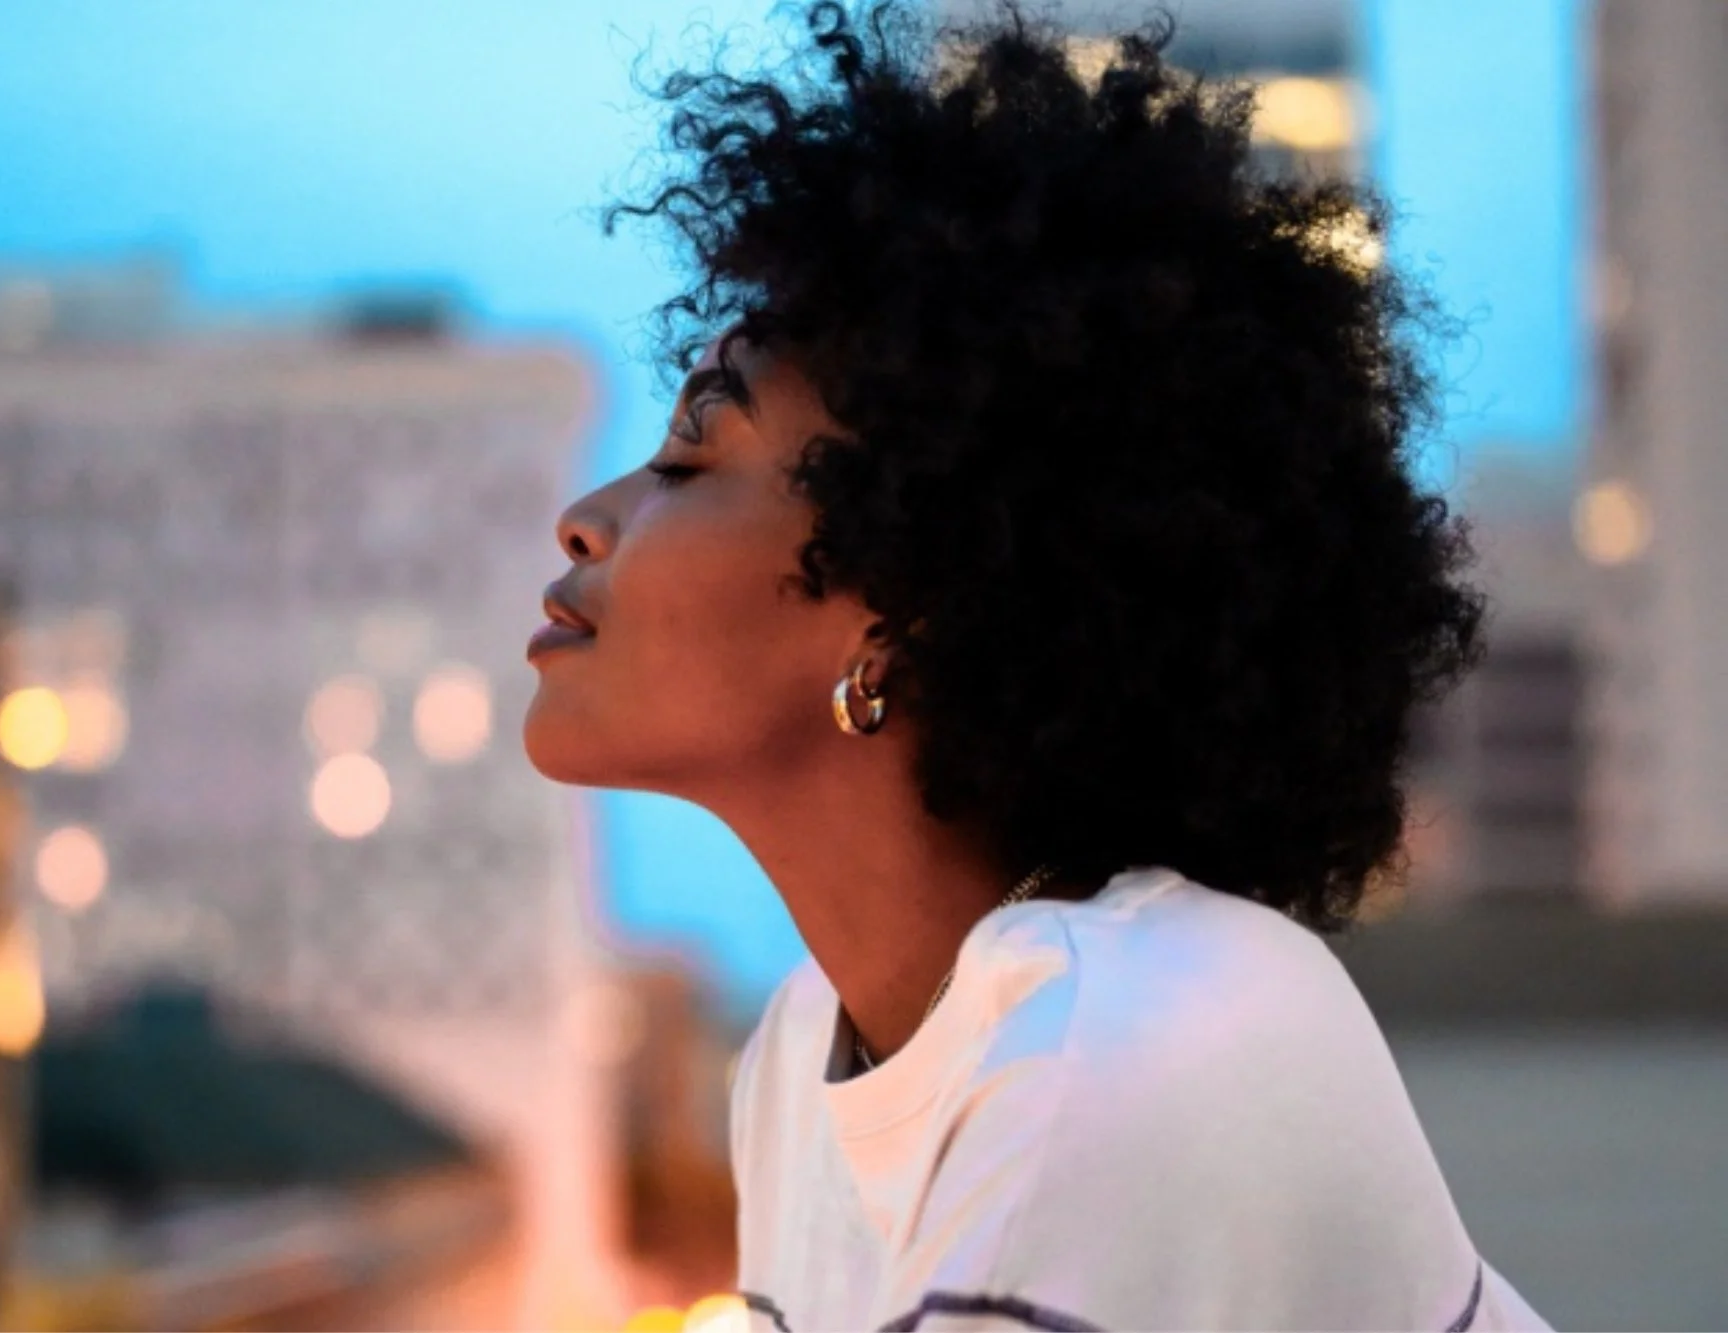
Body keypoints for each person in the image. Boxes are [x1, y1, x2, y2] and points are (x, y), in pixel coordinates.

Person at [523, 2, 1550, 1327]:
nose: (588, 514)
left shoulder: (1130, 1037)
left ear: (906, 593)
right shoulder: (803, 1057)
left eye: (689, 458)